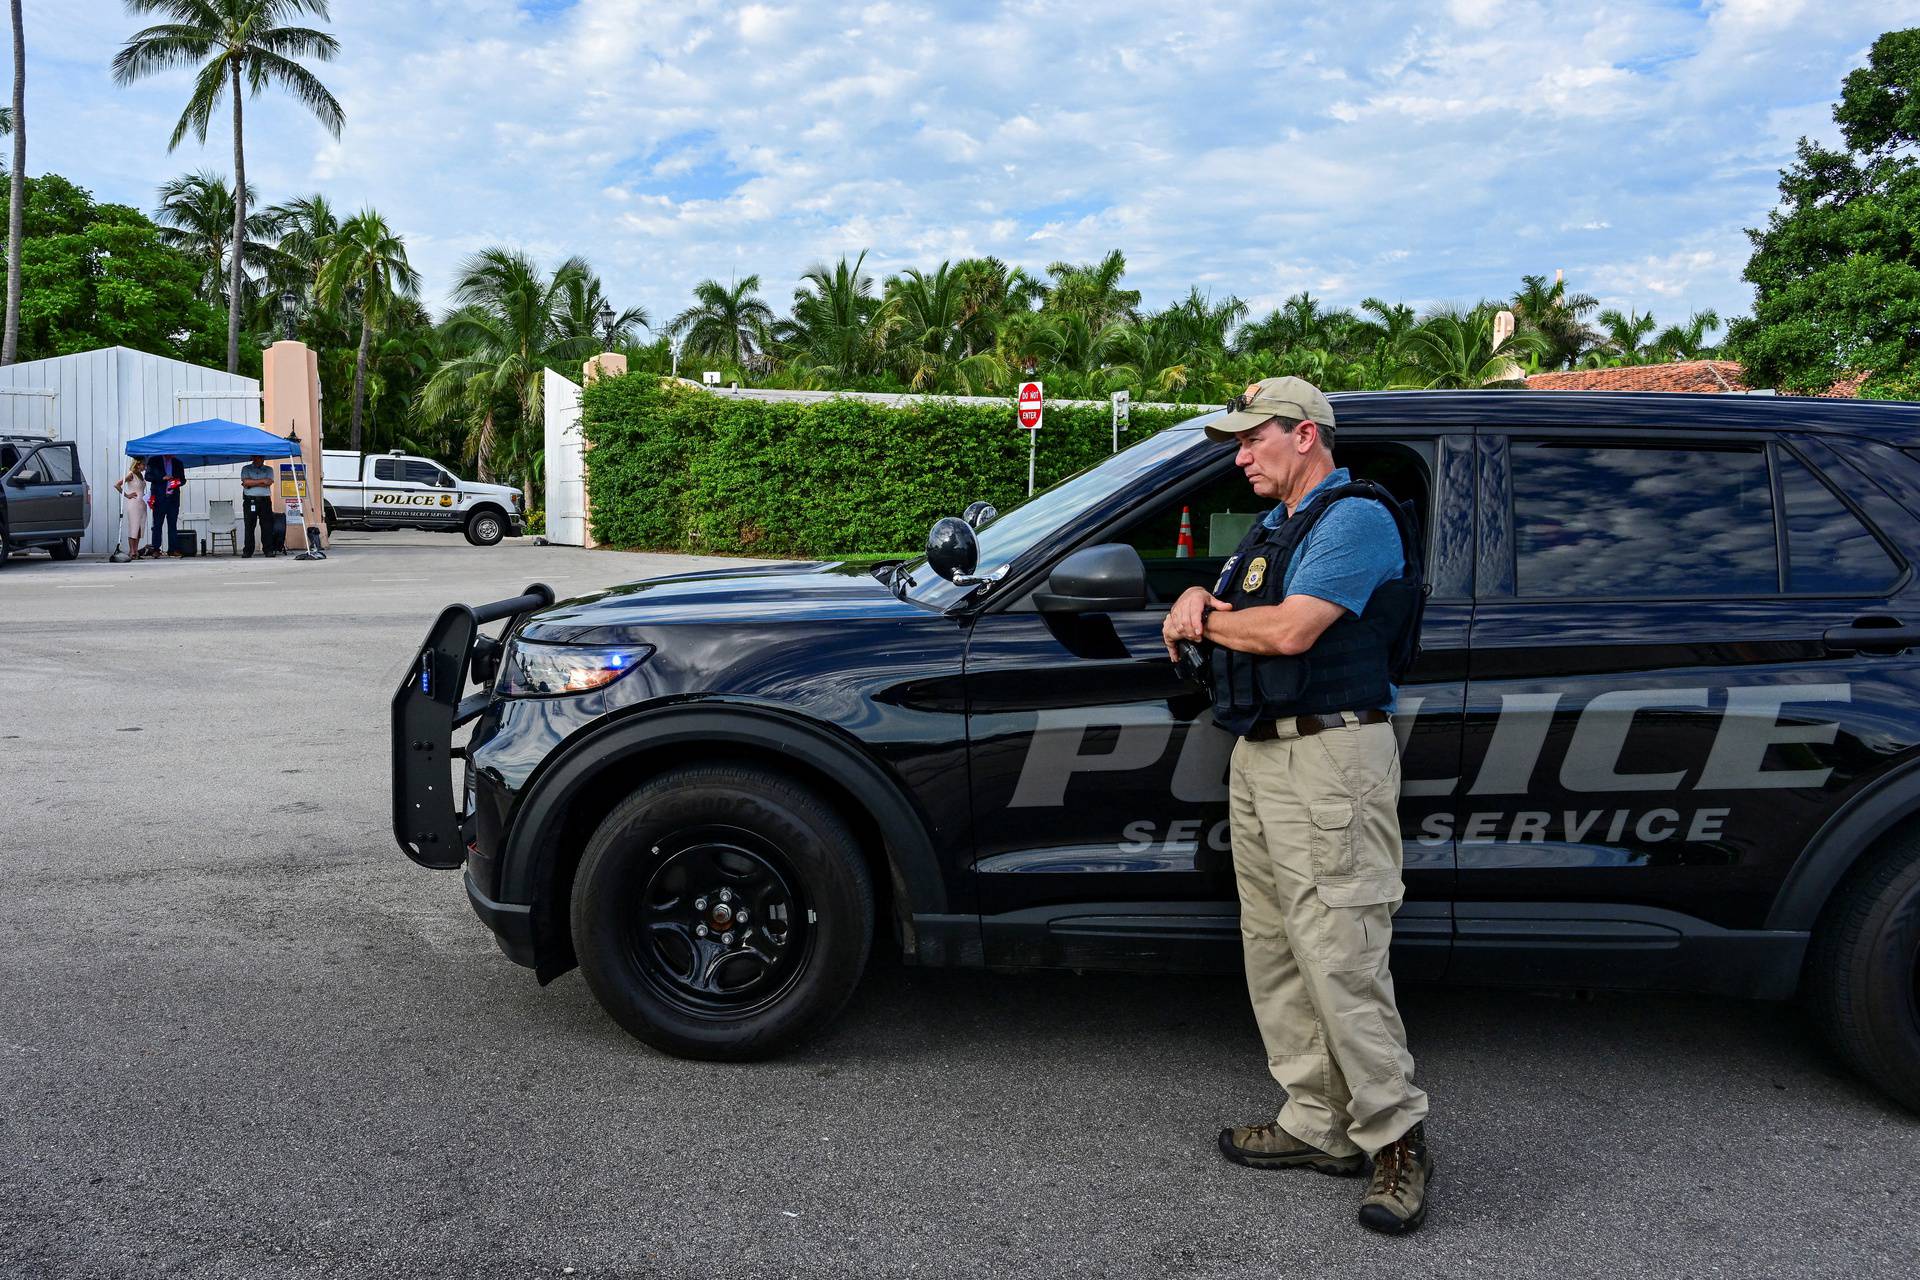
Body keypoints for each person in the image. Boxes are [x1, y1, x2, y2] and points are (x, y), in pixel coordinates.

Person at [1160, 376, 1433, 1235]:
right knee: (1276, 946)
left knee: (1342, 949)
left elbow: (1289, 631)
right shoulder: (1275, 531)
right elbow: (1240, 612)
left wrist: (1200, 615)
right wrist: (1201, 599)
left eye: (1253, 440)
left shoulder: (1355, 518)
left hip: (1331, 755)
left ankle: (1397, 1138)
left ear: (1305, 435)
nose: (1240, 457)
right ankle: (1318, 1123)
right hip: (1265, 754)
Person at [148, 454, 187, 557]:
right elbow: (148, 476)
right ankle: (156, 549)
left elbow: (183, 480)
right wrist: (162, 478)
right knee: (157, 525)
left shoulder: (178, 463)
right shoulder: (154, 460)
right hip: (159, 498)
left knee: (172, 524)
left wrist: (176, 482)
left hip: (173, 499)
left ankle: (172, 549)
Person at [240, 454, 275, 557]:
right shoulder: (246, 468)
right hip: (250, 500)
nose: (257, 460)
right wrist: (261, 481)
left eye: (259, 458)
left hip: (265, 500)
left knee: (267, 526)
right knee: (249, 526)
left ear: (263, 459)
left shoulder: (269, 469)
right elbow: (245, 482)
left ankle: (268, 550)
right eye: (255, 458)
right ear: (252, 458)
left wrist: (251, 483)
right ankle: (248, 551)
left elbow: (269, 482)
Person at [114, 458, 149, 560]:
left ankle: (136, 550)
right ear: (138, 465)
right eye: (143, 465)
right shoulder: (131, 475)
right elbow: (117, 485)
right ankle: (132, 551)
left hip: (142, 503)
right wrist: (127, 495)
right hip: (134, 503)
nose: (145, 467)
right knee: (133, 526)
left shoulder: (141, 476)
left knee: (139, 527)